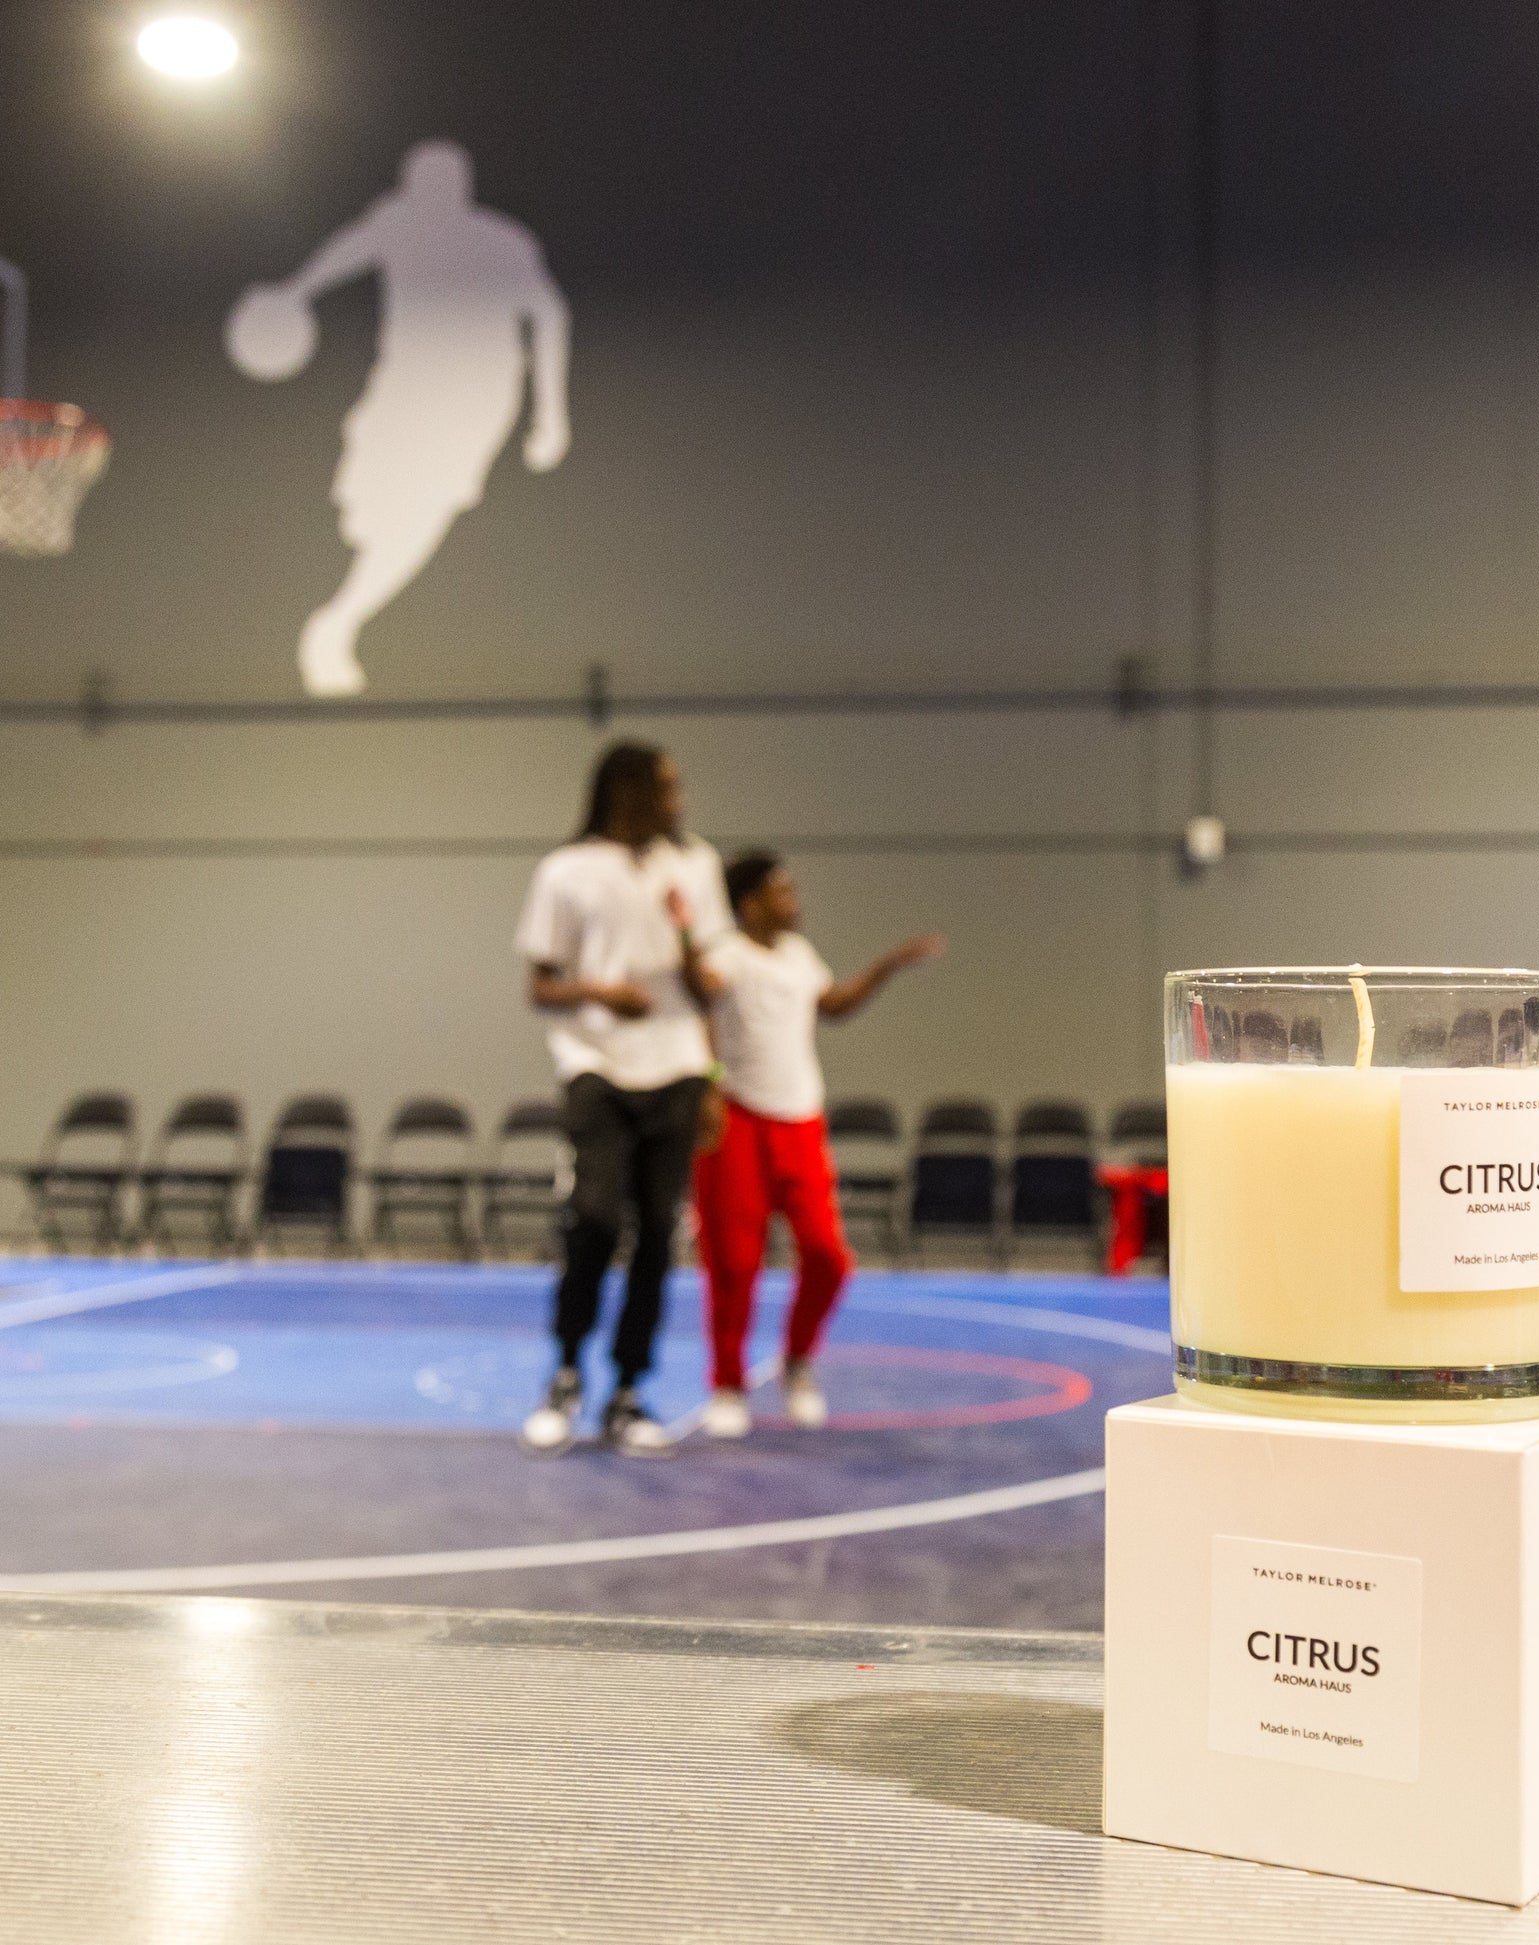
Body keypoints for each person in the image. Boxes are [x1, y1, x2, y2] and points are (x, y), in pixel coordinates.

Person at [226, 140, 571, 697]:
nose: (424, 202)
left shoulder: (500, 243)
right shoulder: (399, 226)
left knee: (418, 510)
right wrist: (296, 291)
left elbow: (547, 318)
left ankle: (340, 621)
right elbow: (345, 252)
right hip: (403, 388)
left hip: (474, 398)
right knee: (364, 505)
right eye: (419, 192)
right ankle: (343, 614)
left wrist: (551, 414)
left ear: (459, 192)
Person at [671, 851, 943, 1438]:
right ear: (750, 904)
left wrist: (886, 966)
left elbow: (833, 1005)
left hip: (800, 1121)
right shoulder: (727, 957)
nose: (795, 901)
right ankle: (726, 1385)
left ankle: (797, 1361)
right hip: (738, 1123)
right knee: (733, 1263)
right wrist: (710, 1086)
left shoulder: (799, 957)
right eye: (783, 891)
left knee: (826, 1254)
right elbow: (697, 994)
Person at [514, 743, 731, 1457]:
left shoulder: (695, 865)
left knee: (658, 1235)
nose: (679, 798)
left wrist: (711, 1076)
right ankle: (566, 1373)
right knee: (597, 1218)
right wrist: (600, 991)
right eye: (666, 786)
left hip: (675, 1067)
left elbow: (711, 988)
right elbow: (540, 985)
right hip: (596, 1063)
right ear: (626, 790)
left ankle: (629, 1391)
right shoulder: (566, 870)